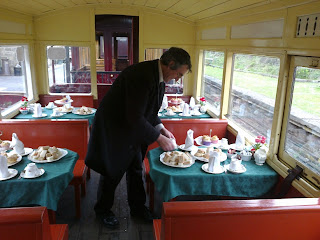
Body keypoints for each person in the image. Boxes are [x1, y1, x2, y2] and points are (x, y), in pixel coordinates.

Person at [85, 47, 192, 228]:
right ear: (171, 64)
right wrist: (159, 138)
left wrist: (161, 128)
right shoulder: (141, 76)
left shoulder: (159, 78)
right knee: (112, 170)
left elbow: (149, 111)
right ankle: (102, 210)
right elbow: (134, 116)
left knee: (136, 168)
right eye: (179, 74)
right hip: (115, 130)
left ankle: (137, 207)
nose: (178, 79)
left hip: (132, 130)